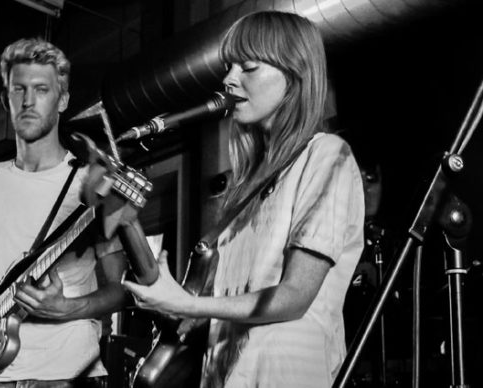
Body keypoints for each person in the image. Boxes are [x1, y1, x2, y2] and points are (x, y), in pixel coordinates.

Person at [123, 11, 365, 388]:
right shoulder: (246, 183)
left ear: (295, 74)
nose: (228, 79)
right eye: (229, 66)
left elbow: (294, 297)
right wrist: (172, 300)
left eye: (248, 67)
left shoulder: (328, 155)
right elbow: (227, 305)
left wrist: (187, 304)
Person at [0, 38, 128, 387]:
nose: (28, 101)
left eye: (41, 89)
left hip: (70, 375)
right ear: (4, 99)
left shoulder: (95, 182)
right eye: (18, 90)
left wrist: (67, 309)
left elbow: (122, 289)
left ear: (64, 100)